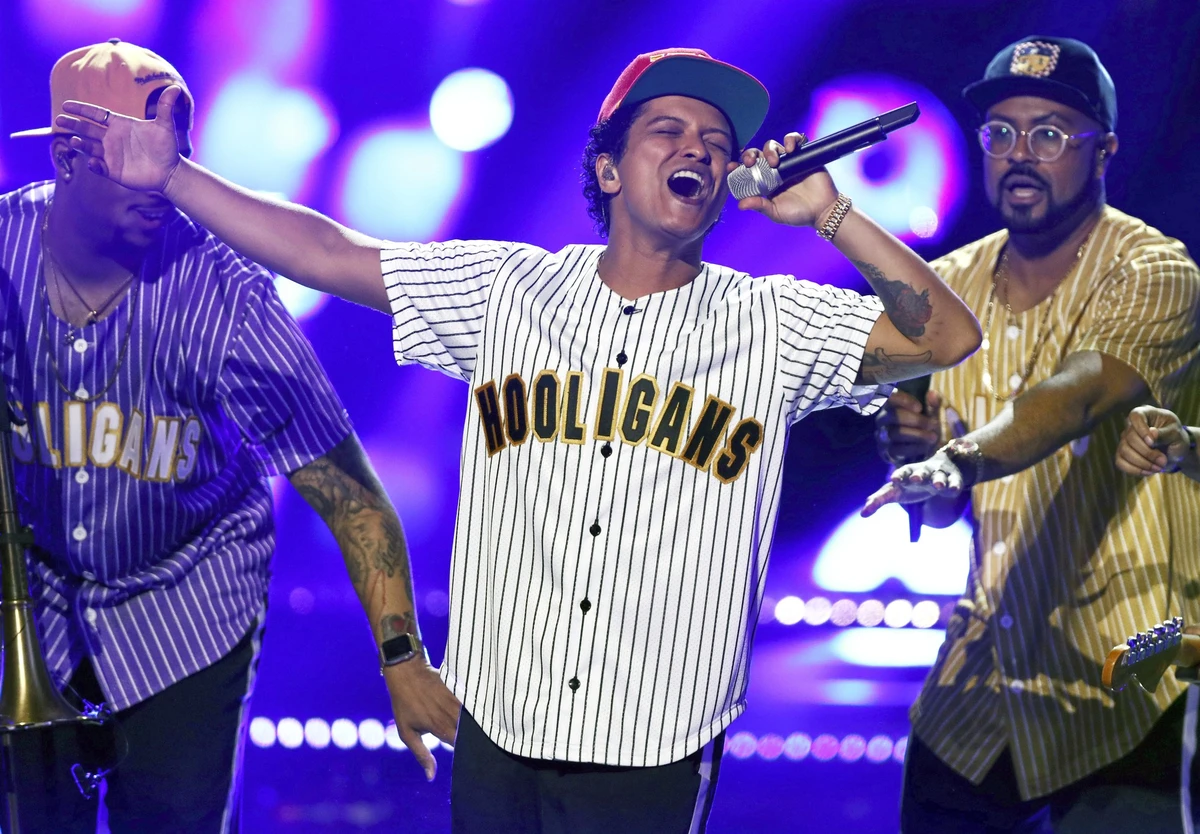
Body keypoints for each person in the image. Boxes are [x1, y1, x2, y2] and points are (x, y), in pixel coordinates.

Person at [57, 46, 981, 831]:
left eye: (717, 142)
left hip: (653, 742)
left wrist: (829, 213)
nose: (700, 147)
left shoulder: (773, 321)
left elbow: (945, 336)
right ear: (611, 169)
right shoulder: (511, 290)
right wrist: (172, 174)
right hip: (500, 722)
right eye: (670, 131)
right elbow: (327, 253)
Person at [0, 40, 458, 833]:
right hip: (36, 612)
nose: (163, 169)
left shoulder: (228, 293)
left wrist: (402, 658)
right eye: (136, 147)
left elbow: (351, 496)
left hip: (187, 617)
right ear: (71, 151)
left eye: (177, 143)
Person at [863, 35, 1200, 831]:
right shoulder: (945, 290)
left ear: (1105, 150)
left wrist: (959, 455)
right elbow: (948, 509)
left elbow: (1078, 397)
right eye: (1002, 133)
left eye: (1049, 134)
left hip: (1128, 674)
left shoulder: (1157, 270)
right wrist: (921, 461)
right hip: (984, 680)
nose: (1021, 153)